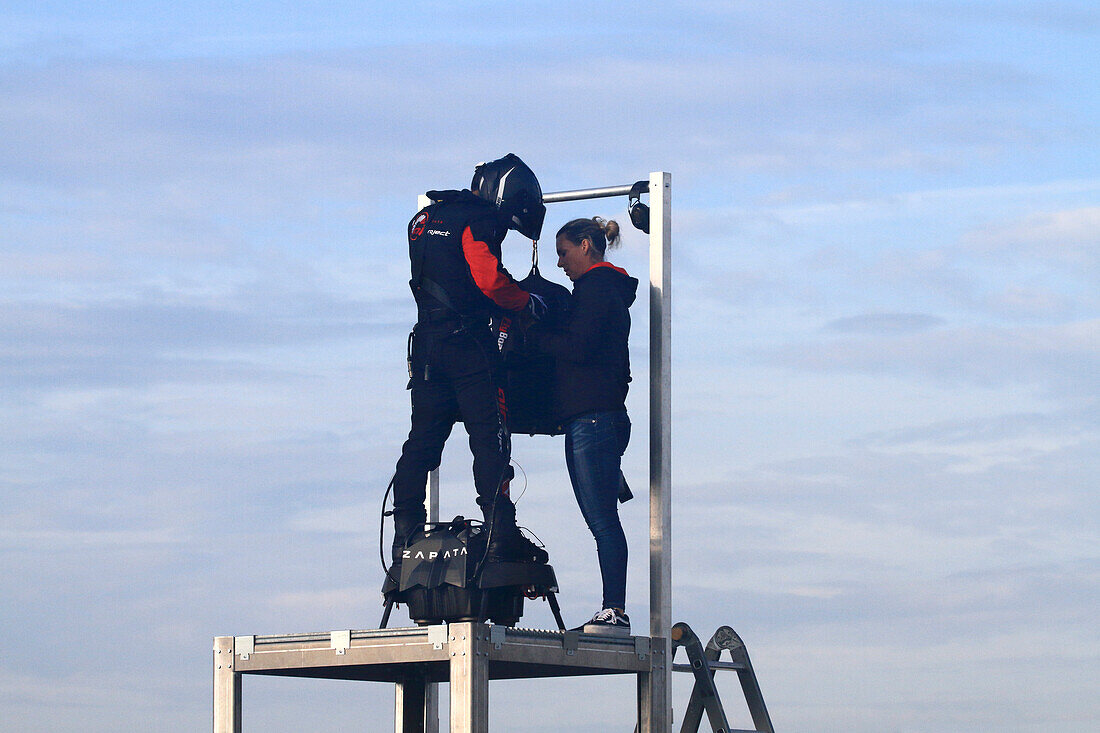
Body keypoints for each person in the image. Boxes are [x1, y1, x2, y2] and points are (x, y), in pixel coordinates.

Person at [390, 154, 549, 567]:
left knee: (421, 442)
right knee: (489, 439)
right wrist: (526, 302)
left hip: (426, 346)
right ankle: (500, 533)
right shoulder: (478, 220)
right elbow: (488, 279)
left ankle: (405, 533)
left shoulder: (425, 219)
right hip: (469, 348)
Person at [528, 217, 638, 635]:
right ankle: (614, 609)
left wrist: (534, 335)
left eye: (563, 252)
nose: (560, 264)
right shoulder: (605, 291)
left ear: (587, 246)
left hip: (593, 420)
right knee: (603, 518)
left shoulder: (595, 290)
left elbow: (579, 346)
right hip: (600, 417)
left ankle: (615, 611)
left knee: (602, 521)